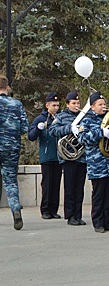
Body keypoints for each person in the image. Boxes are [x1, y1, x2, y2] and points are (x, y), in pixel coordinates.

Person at [78, 91, 109, 233]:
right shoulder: (86, 120)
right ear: (92, 107)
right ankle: (98, 222)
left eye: (104, 104)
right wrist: (100, 132)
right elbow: (83, 139)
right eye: (100, 104)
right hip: (98, 164)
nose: (103, 106)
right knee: (99, 195)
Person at [49, 91, 88, 226]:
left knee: (79, 188)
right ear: (67, 104)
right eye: (73, 103)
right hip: (68, 157)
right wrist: (69, 128)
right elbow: (53, 130)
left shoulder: (84, 117)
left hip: (81, 156)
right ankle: (71, 215)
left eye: (78, 103)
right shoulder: (61, 116)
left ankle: (78, 214)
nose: (76, 105)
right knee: (70, 188)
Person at [0, 75, 28, 230]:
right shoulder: (17, 104)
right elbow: (24, 128)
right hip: (11, 147)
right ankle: (16, 210)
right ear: (7, 87)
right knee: (10, 181)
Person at [28, 92, 62, 220]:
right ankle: (45, 210)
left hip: (59, 156)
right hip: (47, 157)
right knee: (47, 185)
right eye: (54, 105)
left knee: (56, 185)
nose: (56, 108)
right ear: (47, 105)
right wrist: (37, 128)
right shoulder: (40, 118)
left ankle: (54, 210)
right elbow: (31, 136)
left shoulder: (59, 118)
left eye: (58, 105)